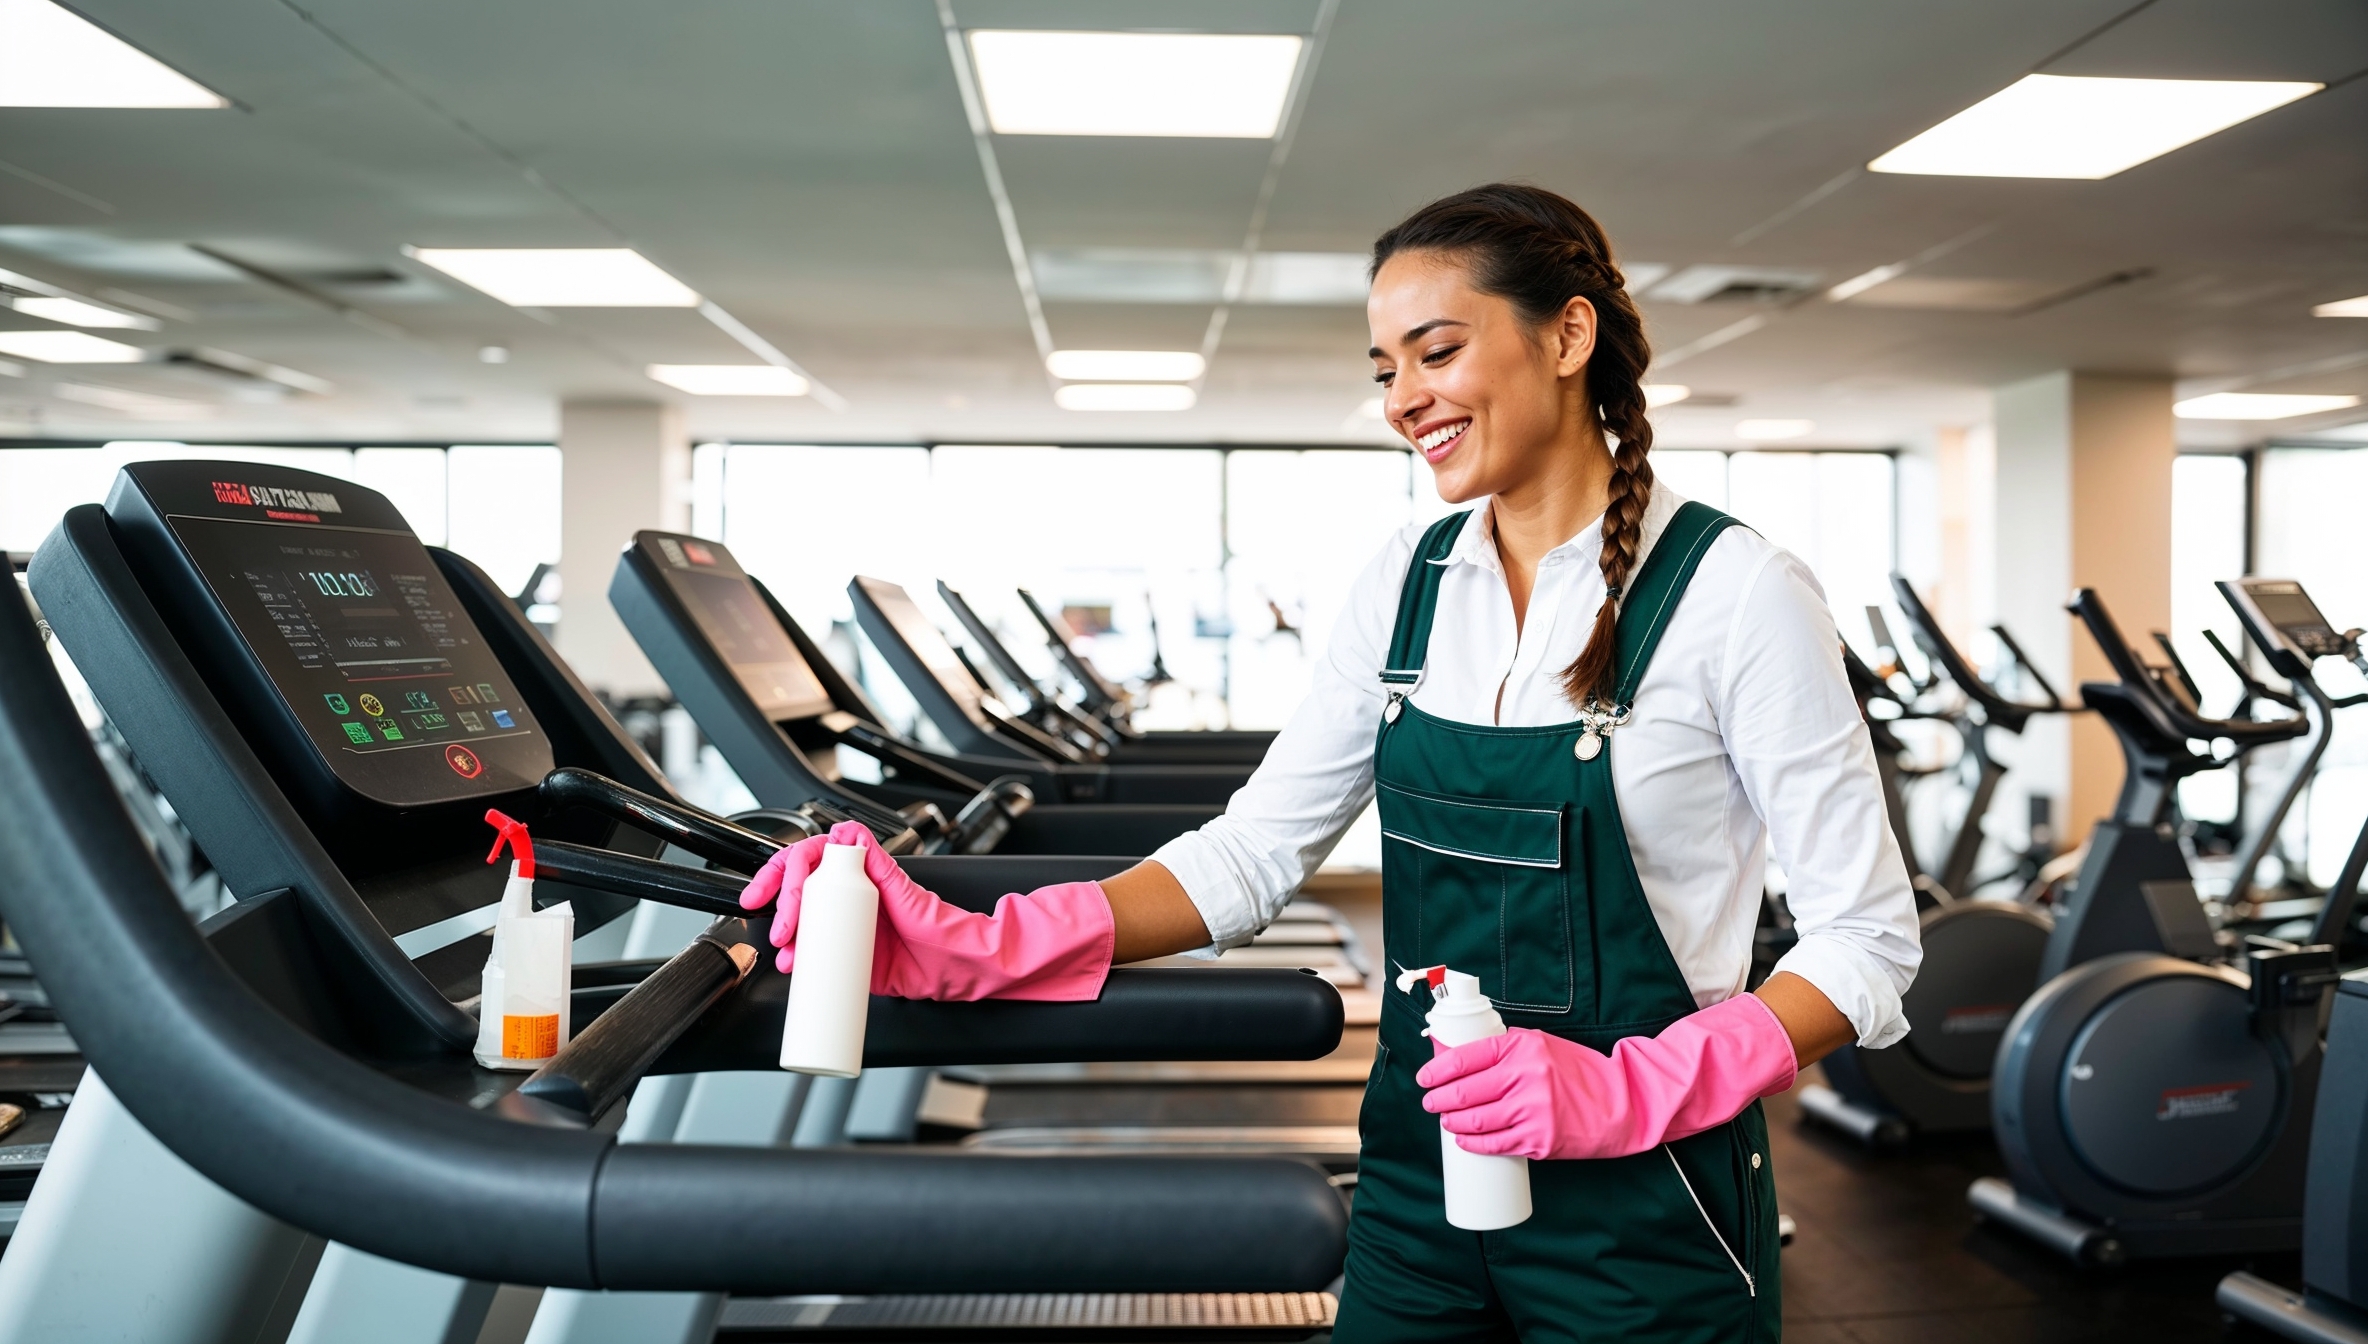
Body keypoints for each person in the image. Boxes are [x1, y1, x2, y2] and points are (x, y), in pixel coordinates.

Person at [742, 182, 1921, 1342]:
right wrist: (984, 944)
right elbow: (1254, 855)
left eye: (1436, 351)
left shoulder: (1735, 592)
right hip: (1422, 1173)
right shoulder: (1405, 584)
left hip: (1647, 1196)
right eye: (1384, 369)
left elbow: (1866, 943)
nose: (1406, 397)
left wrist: (1628, 1092)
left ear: (1569, 334)